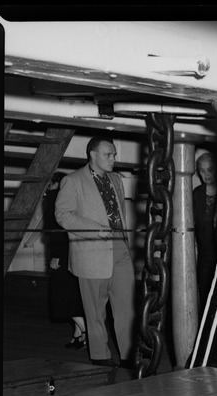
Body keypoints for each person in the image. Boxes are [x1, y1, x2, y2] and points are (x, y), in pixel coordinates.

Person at [55, 136, 136, 367]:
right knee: (95, 311)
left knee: (126, 307)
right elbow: (62, 215)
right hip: (91, 253)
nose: (113, 159)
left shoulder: (116, 180)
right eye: (108, 155)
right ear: (92, 154)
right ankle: (100, 356)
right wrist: (93, 228)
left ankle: (129, 355)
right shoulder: (73, 181)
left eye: (114, 155)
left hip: (120, 249)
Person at [43, 173, 87, 350]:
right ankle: (78, 336)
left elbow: (54, 230)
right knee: (73, 295)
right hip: (75, 253)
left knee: (61, 298)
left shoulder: (53, 198)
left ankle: (86, 330)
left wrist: (55, 255)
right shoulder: (71, 198)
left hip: (61, 255)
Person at [193, 151, 217, 312]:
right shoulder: (197, 193)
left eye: (210, 169)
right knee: (205, 291)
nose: (206, 174)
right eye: (202, 170)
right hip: (205, 251)